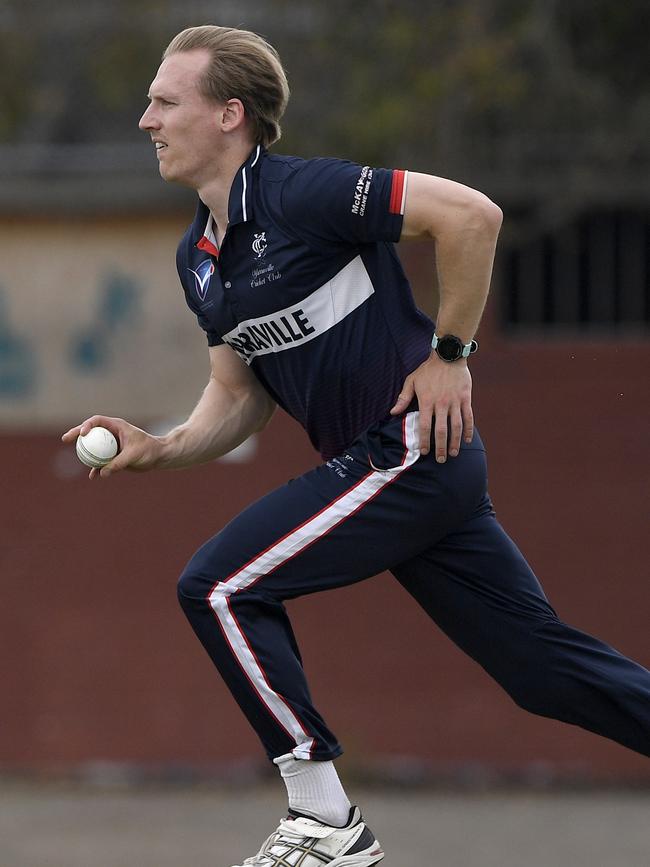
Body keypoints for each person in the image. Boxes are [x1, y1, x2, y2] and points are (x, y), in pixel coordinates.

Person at [62, 25, 650, 867]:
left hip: (408, 450)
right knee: (546, 673)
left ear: (230, 114)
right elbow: (237, 394)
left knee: (221, 588)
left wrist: (452, 353)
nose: (145, 119)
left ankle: (326, 820)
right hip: (400, 472)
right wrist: (159, 447)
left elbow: (471, 216)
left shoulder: (305, 192)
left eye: (164, 101)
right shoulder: (198, 257)